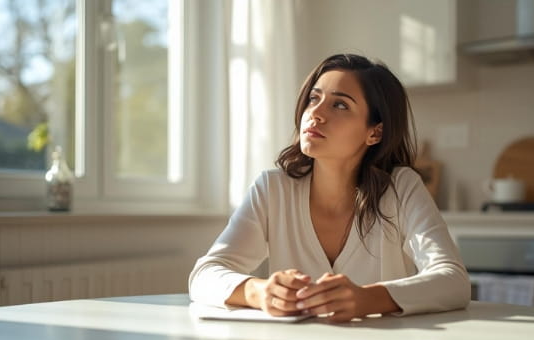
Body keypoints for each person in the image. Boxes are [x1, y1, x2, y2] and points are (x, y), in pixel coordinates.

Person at [189, 53, 470, 322]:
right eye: (314, 98)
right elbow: (204, 275)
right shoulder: (272, 189)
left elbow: (453, 281)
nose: (316, 113)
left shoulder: (402, 187)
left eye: (340, 105)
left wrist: (367, 299)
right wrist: (260, 292)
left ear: (375, 132)